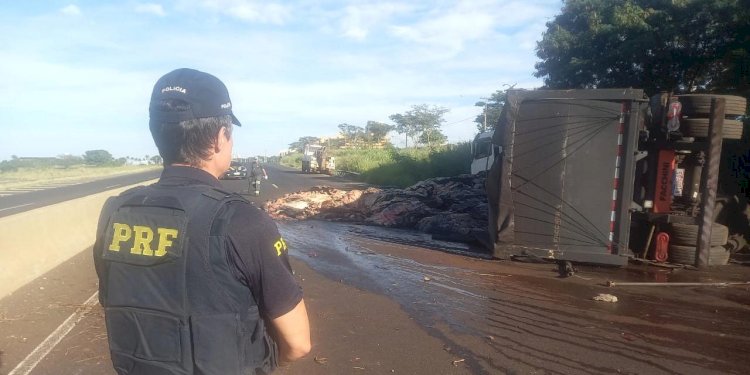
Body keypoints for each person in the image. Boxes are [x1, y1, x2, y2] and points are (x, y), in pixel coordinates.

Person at [93, 68, 310, 375]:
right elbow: (298, 342)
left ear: (157, 134)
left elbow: (112, 299)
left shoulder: (116, 211)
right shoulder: (243, 222)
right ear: (221, 137)